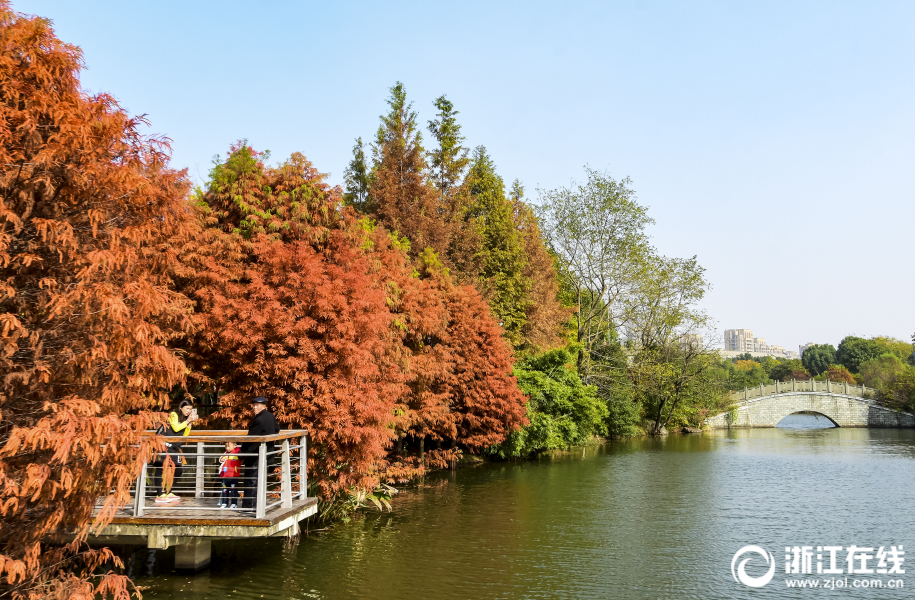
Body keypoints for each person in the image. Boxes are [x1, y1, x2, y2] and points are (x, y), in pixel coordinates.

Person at [154, 399, 198, 503]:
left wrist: (190, 422)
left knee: (178, 470)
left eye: (190, 409)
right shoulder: (174, 414)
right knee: (160, 469)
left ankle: (168, 492)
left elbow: (185, 435)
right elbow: (176, 428)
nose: (188, 411)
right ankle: (160, 494)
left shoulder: (186, 419)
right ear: (181, 408)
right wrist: (187, 421)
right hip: (163, 444)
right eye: (187, 408)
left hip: (174, 447)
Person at [240, 396, 280, 509]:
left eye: (257, 405)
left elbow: (251, 438)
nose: (254, 407)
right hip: (267, 453)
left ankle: (249, 507)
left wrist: (242, 451)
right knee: (259, 481)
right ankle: (257, 505)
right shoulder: (270, 416)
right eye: (253, 405)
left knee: (251, 481)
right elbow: (277, 429)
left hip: (255, 455)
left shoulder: (259, 420)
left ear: (264, 406)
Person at [217, 440, 241, 508]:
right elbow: (221, 459)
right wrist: (221, 459)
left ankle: (234, 503)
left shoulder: (237, 453)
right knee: (225, 490)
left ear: (235, 445)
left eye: (228, 446)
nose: (227, 448)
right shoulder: (225, 453)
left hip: (233, 475)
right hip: (225, 475)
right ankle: (224, 503)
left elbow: (241, 459)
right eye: (226, 446)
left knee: (234, 490)